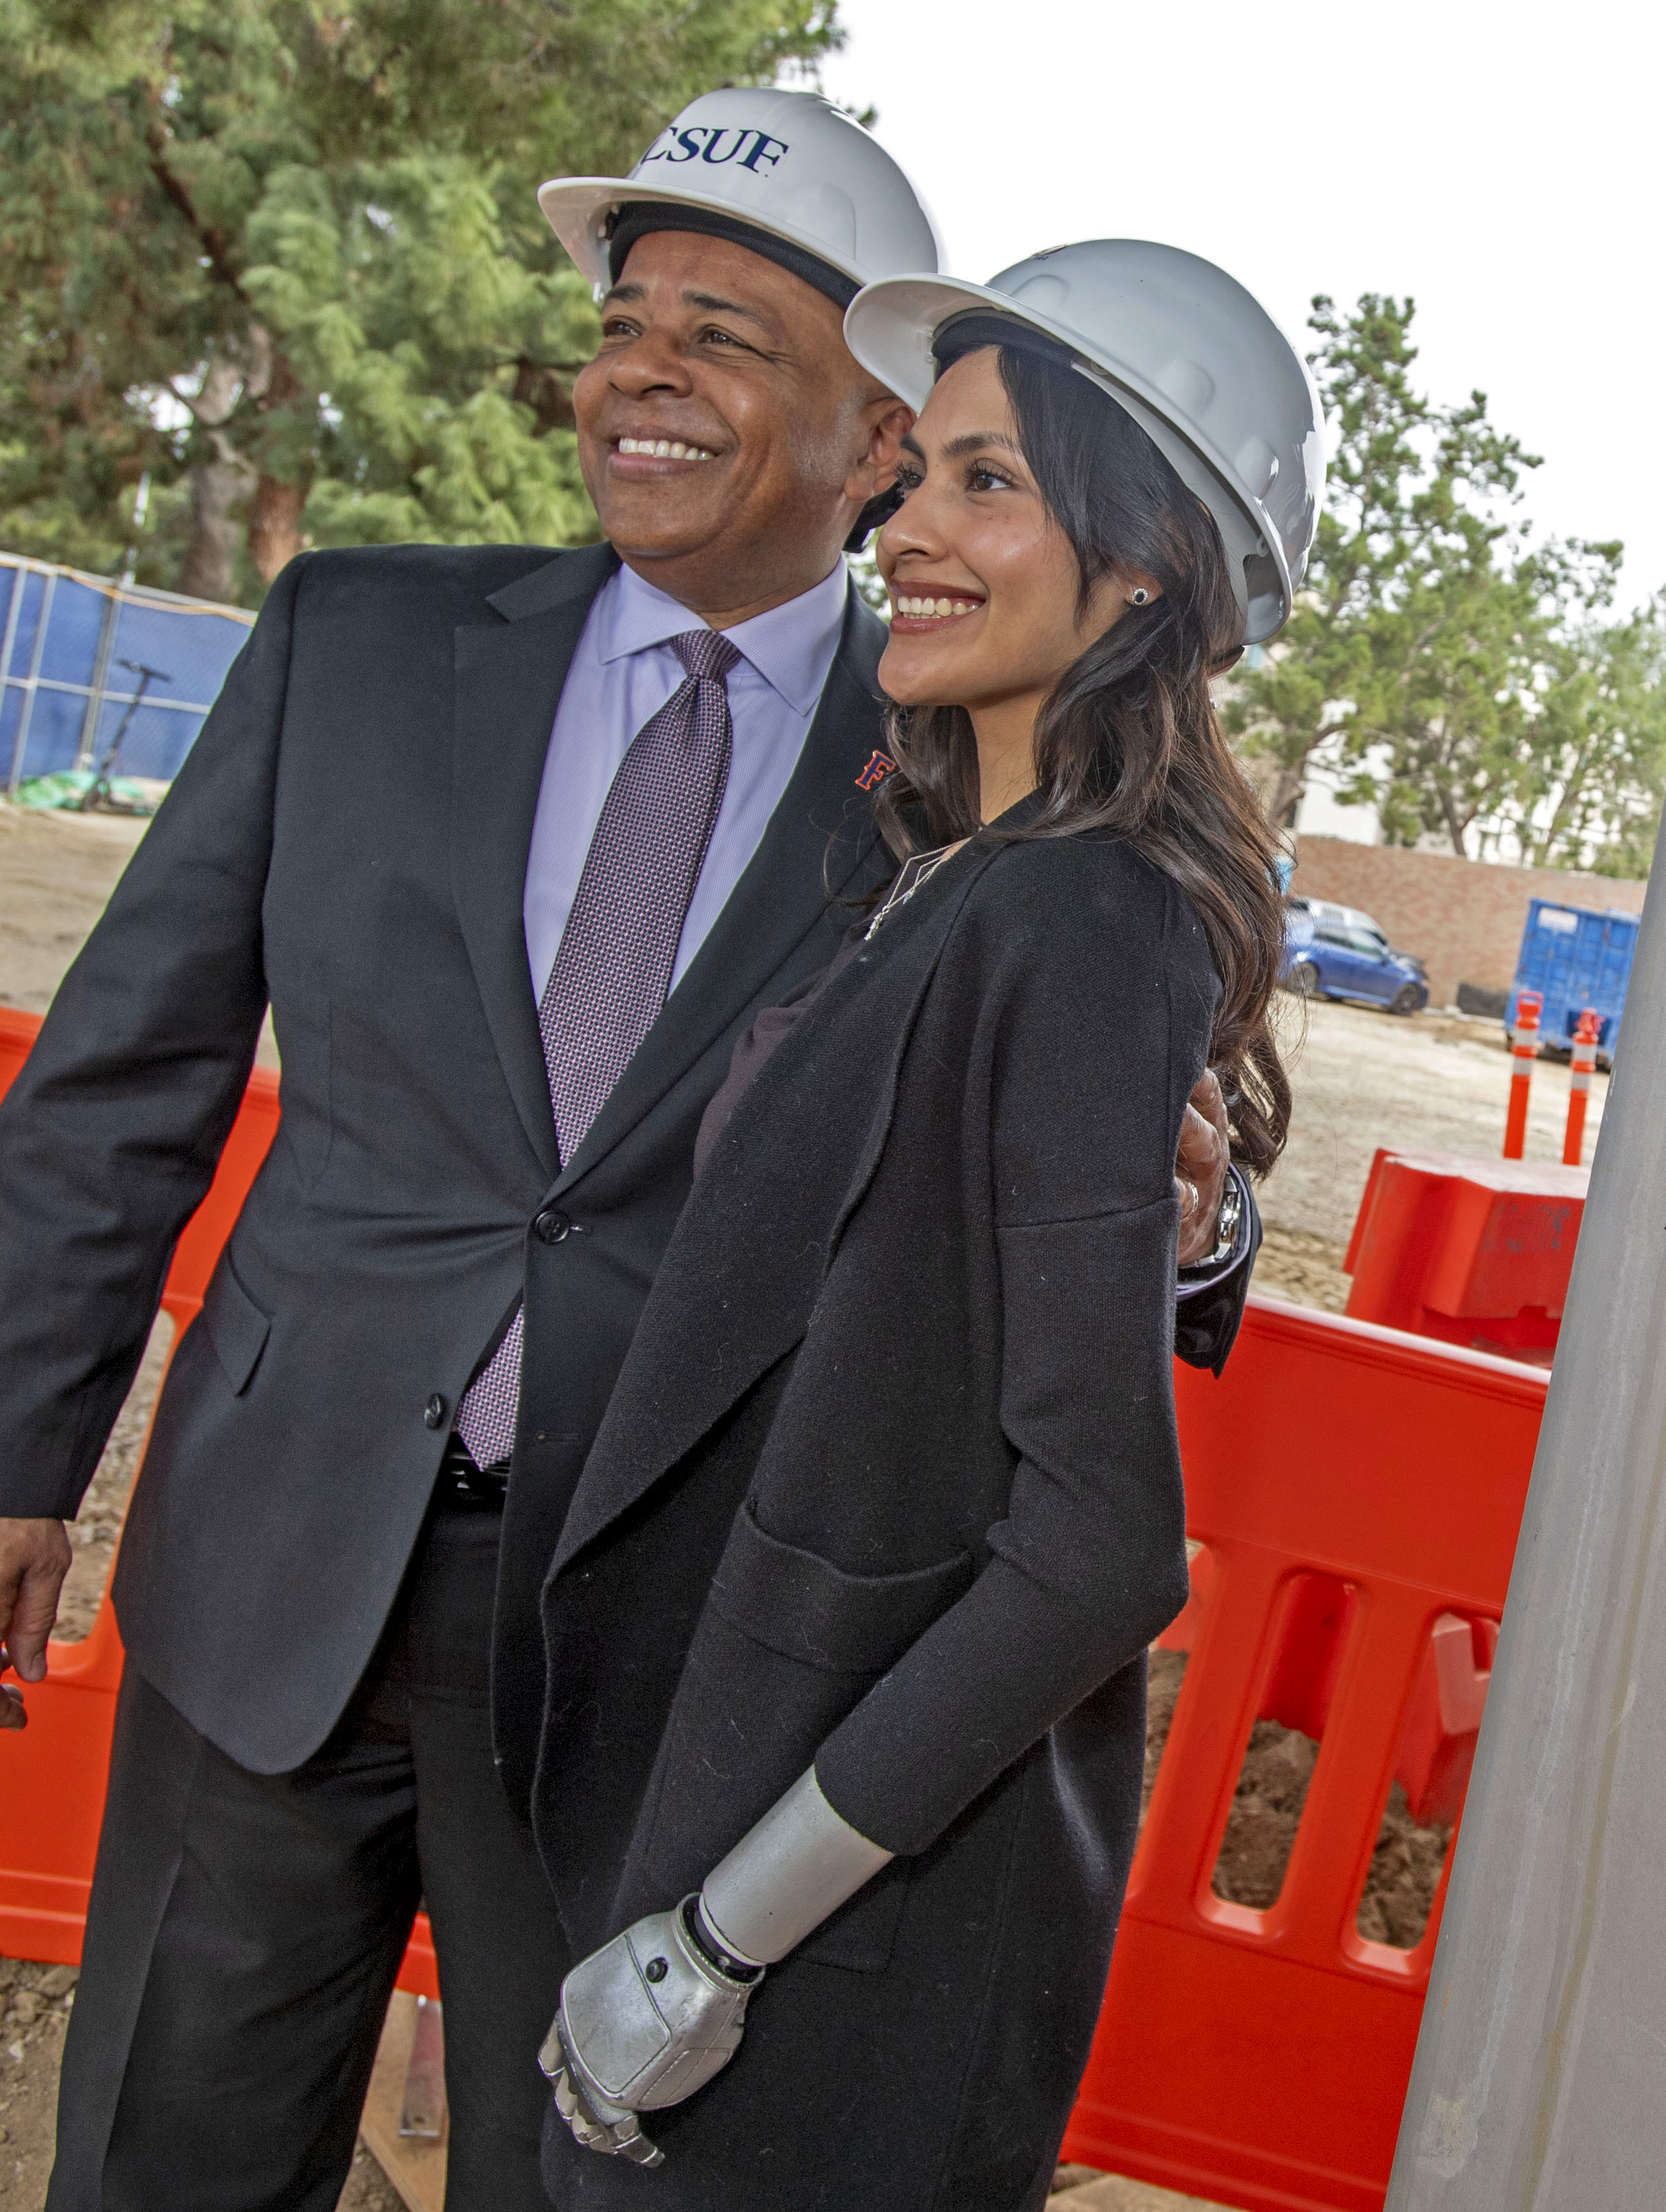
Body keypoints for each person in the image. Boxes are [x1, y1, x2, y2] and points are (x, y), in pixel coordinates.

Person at [0, 93, 1261, 2211]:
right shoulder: (356, 643)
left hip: (650, 1653)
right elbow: (118, 1079)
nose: (643, 375)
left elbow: (1100, 1141)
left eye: (725, 336)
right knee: (168, 2157)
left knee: (573, 2173)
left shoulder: (967, 753)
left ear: (874, 435)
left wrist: (1200, 1224)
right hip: (276, 1569)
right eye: (626, 324)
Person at [524, 240, 1319, 2207]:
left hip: (837, 1919)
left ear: (1147, 564)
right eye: (920, 473)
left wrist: (721, 1945)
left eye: (991, 482)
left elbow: (1097, 1546)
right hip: (756, 1798)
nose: (910, 527)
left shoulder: (1083, 910)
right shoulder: (964, 870)